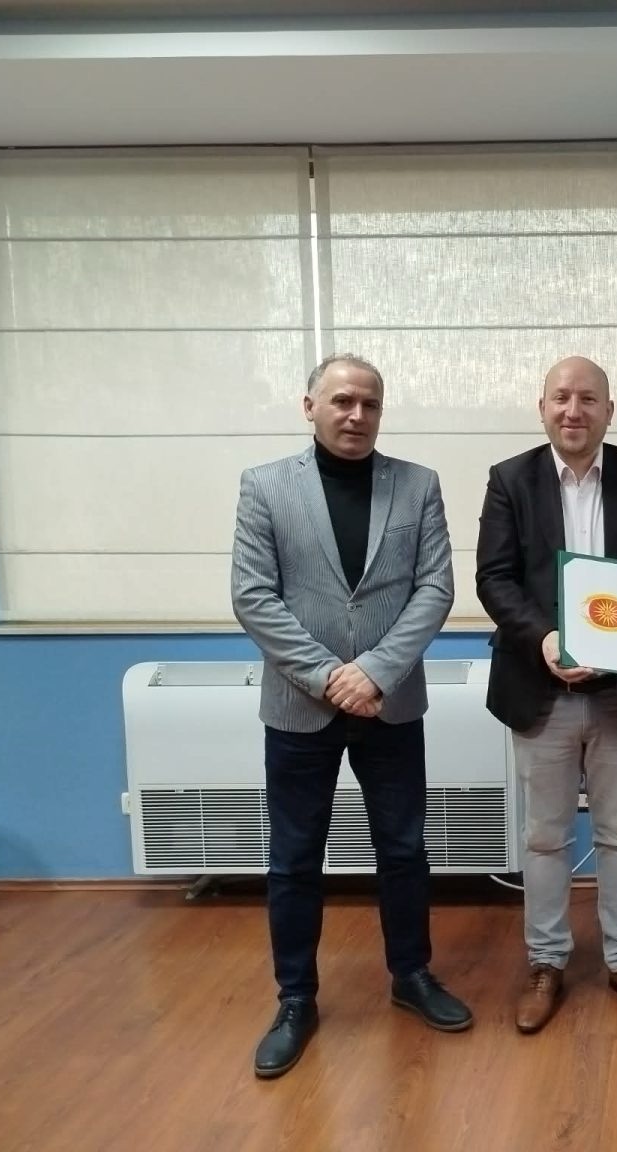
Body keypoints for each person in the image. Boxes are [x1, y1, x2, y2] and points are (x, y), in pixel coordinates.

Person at [231, 353, 472, 1080]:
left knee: (403, 850)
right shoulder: (265, 486)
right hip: (298, 705)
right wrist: (329, 676)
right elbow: (253, 596)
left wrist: (373, 673)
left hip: (390, 702)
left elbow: (435, 589)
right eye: (341, 401)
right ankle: (295, 1000)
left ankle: (412, 976)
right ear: (309, 406)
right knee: (293, 859)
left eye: (369, 403)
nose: (356, 414)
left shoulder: (418, 485)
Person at [476, 355, 617, 1034]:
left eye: (588, 399)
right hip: (541, 690)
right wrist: (544, 639)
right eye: (561, 397)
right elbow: (494, 578)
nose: (574, 410)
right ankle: (547, 964)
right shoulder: (510, 480)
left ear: (609, 411)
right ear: (542, 408)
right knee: (544, 838)